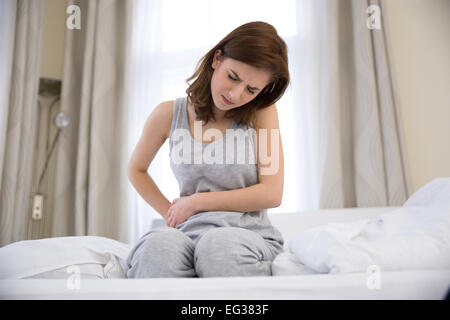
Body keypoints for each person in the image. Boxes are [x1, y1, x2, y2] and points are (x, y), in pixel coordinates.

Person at [125, 21, 290, 278]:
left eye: (251, 89)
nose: (236, 95)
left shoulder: (262, 112)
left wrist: (197, 202)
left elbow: (272, 192)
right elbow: (136, 170)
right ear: (217, 58)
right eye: (233, 77)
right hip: (188, 233)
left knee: (218, 246)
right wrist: (173, 215)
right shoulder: (168, 114)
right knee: (156, 247)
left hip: (247, 236)